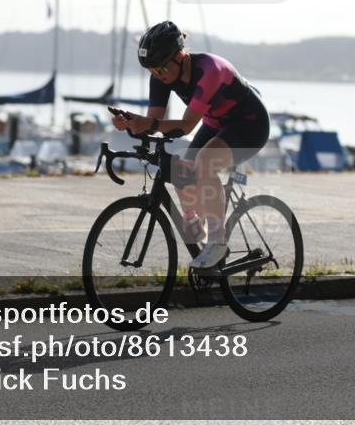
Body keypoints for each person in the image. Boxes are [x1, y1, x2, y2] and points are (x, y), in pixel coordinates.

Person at [110, 21, 270, 269]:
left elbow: (185, 126)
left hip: (250, 124)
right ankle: (197, 226)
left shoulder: (209, 70)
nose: (158, 74)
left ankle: (218, 242)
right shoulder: (161, 74)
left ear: (180, 56)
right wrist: (131, 123)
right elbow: (156, 121)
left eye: (161, 67)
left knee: (204, 162)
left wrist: (146, 123)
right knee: (183, 166)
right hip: (217, 122)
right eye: (151, 70)